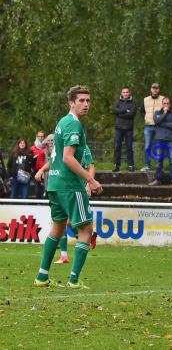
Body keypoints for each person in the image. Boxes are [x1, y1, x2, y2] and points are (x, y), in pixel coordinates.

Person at [34, 85, 103, 289]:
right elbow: (67, 158)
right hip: (70, 185)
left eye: (88, 101)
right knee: (86, 229)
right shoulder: (74, 124)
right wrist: (90, 180)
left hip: (54, 183)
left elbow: (58, 156)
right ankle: (73, 280)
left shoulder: (62, 122)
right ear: (71, 103)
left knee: (58, 227)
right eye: (81, 100)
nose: (86, 104)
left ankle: (42, 276)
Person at [35, 137, 98, 264]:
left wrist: (88, 183)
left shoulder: (82, 146)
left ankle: (83, 239)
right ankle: (65, 254)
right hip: (62, 189)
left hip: (75, 189)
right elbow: (54, 161)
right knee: (62, 223)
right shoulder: (62, 147)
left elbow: (91, 166)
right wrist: (42, 170)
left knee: (67, 223)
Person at [148, 97, 172, 187]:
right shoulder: (157, 113)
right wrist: (164, 113)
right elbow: (156, 121)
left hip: (170, 140)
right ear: (162, 104)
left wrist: (161, 124)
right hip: (159, 139)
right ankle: (158, 179)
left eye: (167, 103)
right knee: (158, 161)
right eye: (164, 103)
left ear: (170, 104)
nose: (166, 105)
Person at [140, 82, 165, 171]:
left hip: (159, 127)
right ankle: (147, 165)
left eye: (157, 88)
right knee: (147, 146)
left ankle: (159, 166)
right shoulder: (145, 99)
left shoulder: (163, 99)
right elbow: (142, 111)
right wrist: (147, 119)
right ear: (151, 89)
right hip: (148, 126)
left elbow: (166, 111)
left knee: (159, 147)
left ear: (159, 90)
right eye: (153, 88)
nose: (155, 90)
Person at [112, 86, 137, 172]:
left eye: (127, 92)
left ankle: (131, 165)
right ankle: (116, 165)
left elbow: (131, 114)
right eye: (124, 92)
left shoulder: (133, 102)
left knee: (129, 147)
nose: (125, 94)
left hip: (129, 128)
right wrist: (126, 110)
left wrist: (120, 112)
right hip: (118, 128)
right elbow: (115, 111)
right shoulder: (118, 101)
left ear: (129, 93)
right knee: (117, 147)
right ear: (121, 93)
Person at [30, 130, 47, 198]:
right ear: (36, 137)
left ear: (44, 137)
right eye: (39, 136)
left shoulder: (47, 147)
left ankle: (45, 201)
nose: (40, 138)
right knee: (37, 188)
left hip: (45, 170)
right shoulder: (32, 148)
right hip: (36, 170)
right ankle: (38, 202)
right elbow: (29, 159)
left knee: (45, 187)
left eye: (42, 136)